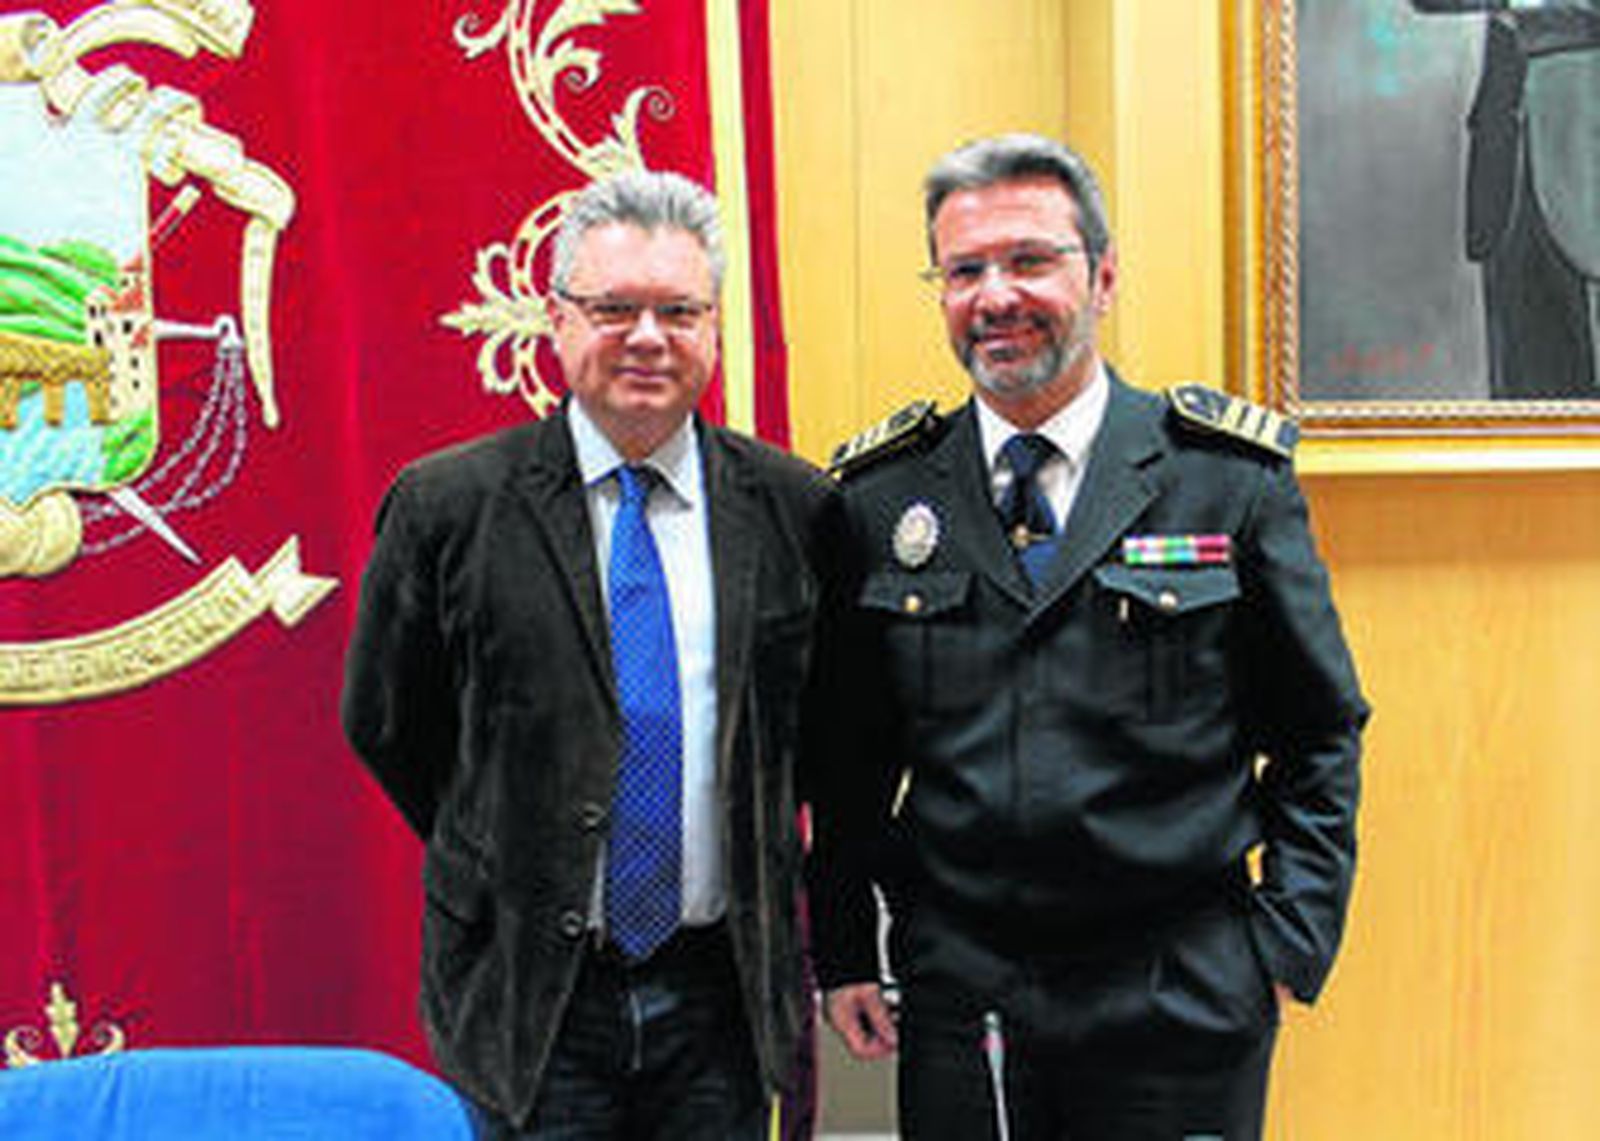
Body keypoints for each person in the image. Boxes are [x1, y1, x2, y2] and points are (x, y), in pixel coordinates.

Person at [807, 133, 1370, 1140]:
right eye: (964, 269)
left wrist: (1286, 940)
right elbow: (847, 758)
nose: (994, 295)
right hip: (962, 993)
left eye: (1029, 260)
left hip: (1177, 990)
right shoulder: (882, 498)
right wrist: (845, 947)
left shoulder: (1224, 480)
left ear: (1102, 276)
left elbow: (1318, 728)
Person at [342, 169, 839, 1139]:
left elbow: (822, 736)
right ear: (557, 320)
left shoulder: (794, 508)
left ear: (713, 327)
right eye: (614, 309)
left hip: (720, 995)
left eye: (678, 310)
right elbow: (390, 721)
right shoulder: (448, 506)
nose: (648, 338)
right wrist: (511, 847)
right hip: (532, 991)